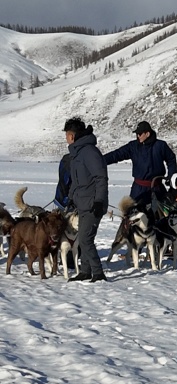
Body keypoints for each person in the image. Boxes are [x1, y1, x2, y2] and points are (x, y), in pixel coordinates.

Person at [64, 117, 109, 282]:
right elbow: (76, 181)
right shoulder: (77, 153)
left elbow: (101, 178)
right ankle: (85, 271)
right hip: (82, 203)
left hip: (92, 204)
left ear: (72, 136)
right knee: (83, 239)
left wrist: (99, 201)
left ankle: (98, 272)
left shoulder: (90, 152)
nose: (66, 138)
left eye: (67, 135)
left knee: (85, 239)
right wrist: (70, 198)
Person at [103, 120, 176, 209]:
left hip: (157, 188)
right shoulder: (133, 146)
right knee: (133, 215)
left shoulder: (160, 145)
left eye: (140, 134)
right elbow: (116, 155)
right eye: (137, 134)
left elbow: (171, 159)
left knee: (162, 214)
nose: (138, 136)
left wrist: (171, 176)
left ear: (147, 134)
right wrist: (100, 161)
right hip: (138, 190)